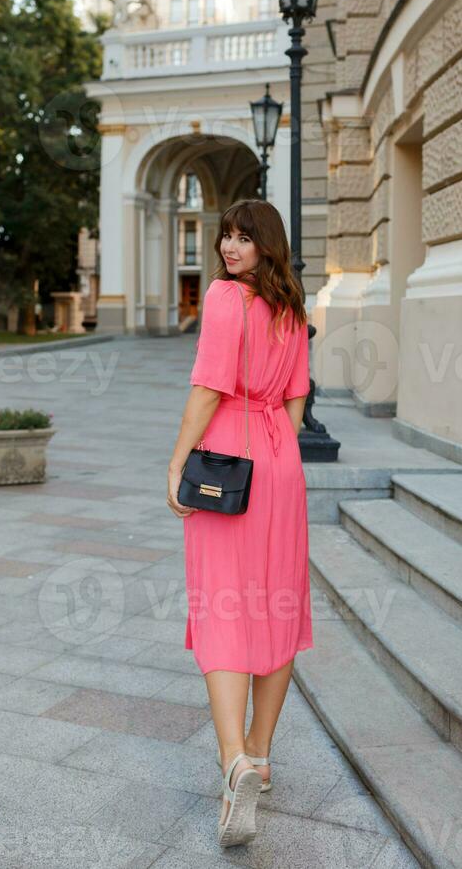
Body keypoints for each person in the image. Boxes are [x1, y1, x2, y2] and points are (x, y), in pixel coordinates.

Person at [167, 198, 313, 848]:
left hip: (227, 462)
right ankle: (261, 752)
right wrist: (279, 444)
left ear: (264, 245)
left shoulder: (226, 300)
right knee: (278, 605)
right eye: (225, 236)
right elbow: (298, 398)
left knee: (223, 604)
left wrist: (176, 464)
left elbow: (207, 389)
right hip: (282, 463)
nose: (229, 248)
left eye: (242, 238)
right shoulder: (292, 308)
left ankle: (233, 764)